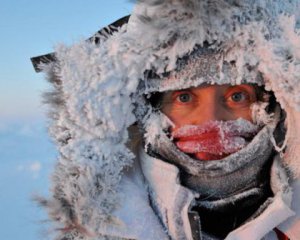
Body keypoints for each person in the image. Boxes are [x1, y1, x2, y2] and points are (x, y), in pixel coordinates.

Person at [32, 0, 300, 239]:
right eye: (184, 97)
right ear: (150, 111)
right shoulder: (99, 229)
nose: (210, 120)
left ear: (276, 106)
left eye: (237, 96)